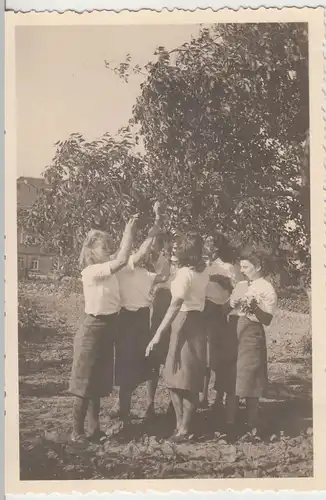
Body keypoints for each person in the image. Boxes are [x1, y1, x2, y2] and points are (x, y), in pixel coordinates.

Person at [68, 215, 138, 443]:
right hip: (93, 328)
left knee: (97, 383)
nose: (109, 248)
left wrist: (140, 233)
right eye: (104, 246)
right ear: (91, 250)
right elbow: (121, 259)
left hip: (108, 327)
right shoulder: (92, 271)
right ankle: (76, 432)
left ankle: (94, 429)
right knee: (84, 383)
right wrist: (128, 231)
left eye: (110, 245)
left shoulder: (106, 268)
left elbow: (123, 257)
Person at [146, 232, 210, 442]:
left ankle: (184, 428)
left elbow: (175, 305)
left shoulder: (185, 274)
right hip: (196, 322)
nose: (174, 250)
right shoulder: (201, 271)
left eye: (178, 248)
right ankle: (181, 426)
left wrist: (157, 333)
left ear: (186, 253)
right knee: (180, 378)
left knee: (183, 378)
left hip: (184, 321)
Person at [112, 203, 168, 425]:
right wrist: (154, 222)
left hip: (142, 318)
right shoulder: (127, 267)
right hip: (127, 319)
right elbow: (145, 247)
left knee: (143, 362)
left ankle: (146, 405)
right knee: (126, 362)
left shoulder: (147, 273)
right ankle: (123, 406)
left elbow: (164, 276)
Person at [225, 247, 278, 440]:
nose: (243, 270)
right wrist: (232, 303)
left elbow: (267, 320)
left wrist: (253, 306)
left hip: (251, 335)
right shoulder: (239, 285)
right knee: (231, 380)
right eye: (241, 267)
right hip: (234, 333)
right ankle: (230, 426)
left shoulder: (266, 287)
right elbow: (226, 309)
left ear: (258, 266)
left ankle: (252, 427)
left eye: (246, 267)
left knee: (250, 381)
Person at [201, 233, 243, 421]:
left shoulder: (229, 266)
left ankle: (218, 397)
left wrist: (223, 280)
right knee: (204, 355)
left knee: (218, 357)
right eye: (207, 244)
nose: (209, 247)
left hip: (220, 311)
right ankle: (202, 396)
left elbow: (237, 289)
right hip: (204, 309)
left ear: (218, 247)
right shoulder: (203, 264)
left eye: (212, 244)